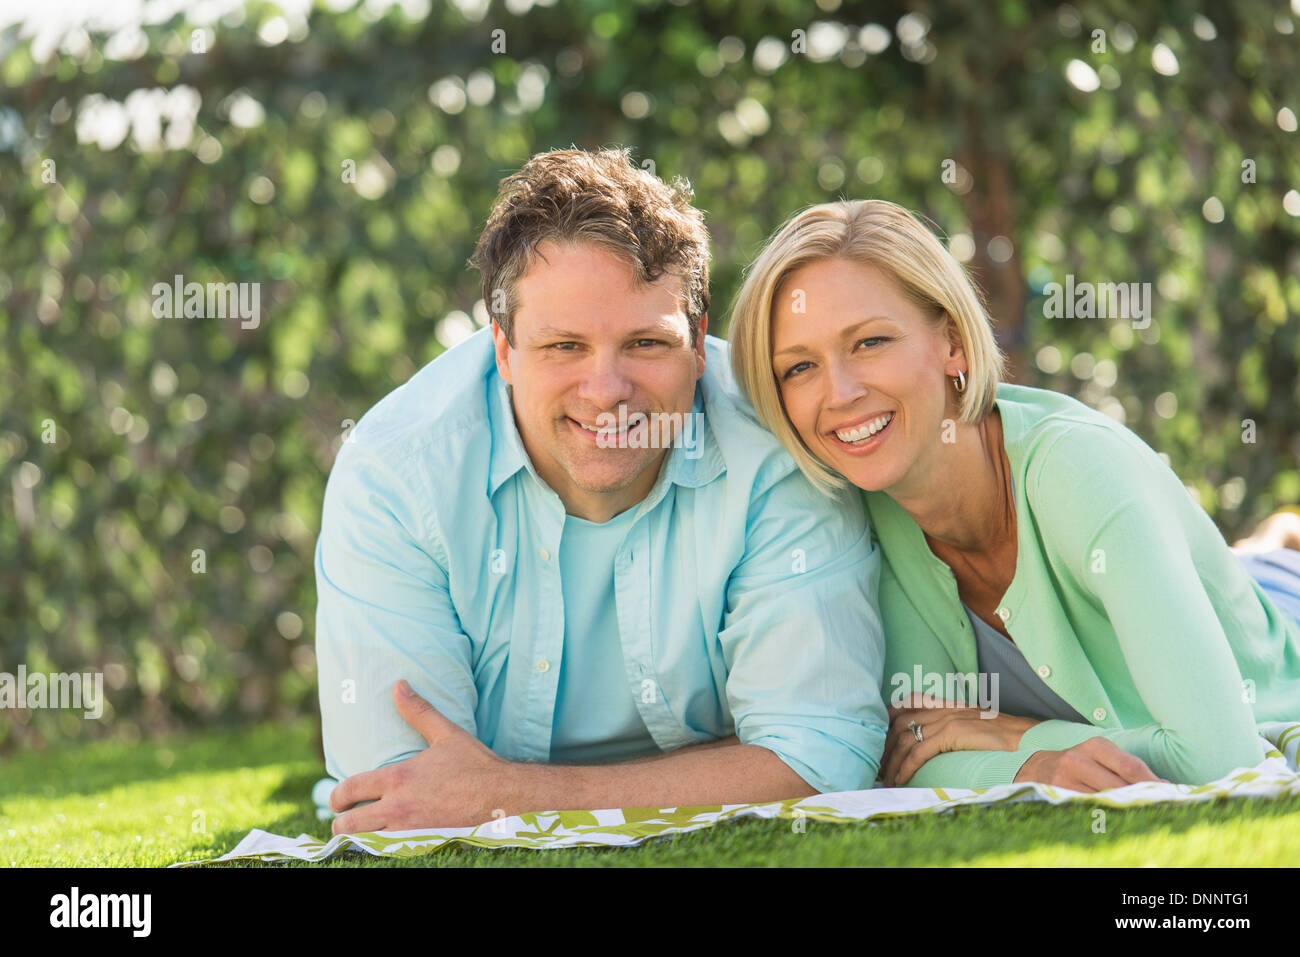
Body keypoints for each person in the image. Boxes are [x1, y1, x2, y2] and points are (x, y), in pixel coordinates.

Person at [313, 150, 888, 833]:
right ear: (503, 347)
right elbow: (403, 792)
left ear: (699, 344)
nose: (607, 390)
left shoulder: (776, 447)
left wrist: (512, 796)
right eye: (564, 347)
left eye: (646, 342)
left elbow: (819, 755)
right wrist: (723, 769)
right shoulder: (396, 473)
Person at [727, 198, 1300, 792]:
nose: (839, 393)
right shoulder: (858, 513)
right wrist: (1029, 758)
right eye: (798, 368)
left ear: (952, 341)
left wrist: (1015, 737)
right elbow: (916, 750)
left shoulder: (1081, 471)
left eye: (870, 342)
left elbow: (1219, 761)